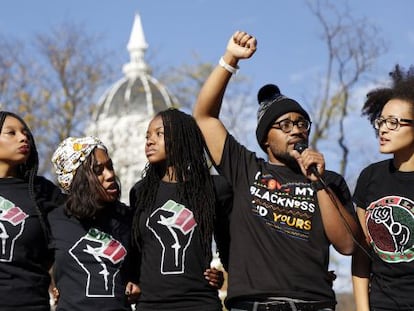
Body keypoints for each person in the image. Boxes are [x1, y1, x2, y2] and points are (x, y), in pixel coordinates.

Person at [193, 30, 360, 310]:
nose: (295, 129)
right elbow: (204, 116)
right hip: (252, 304)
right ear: (265, 139)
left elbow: (348, 245)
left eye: (301, 123)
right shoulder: (245, 169)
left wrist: (318, 184)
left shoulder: (328, 180)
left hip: (313, 303)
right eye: (284, 124)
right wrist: (230, 59)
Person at [130, 108, 230, 310]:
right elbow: (135, 250)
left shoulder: (215, 188)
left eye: (159, 134)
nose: (149, 141)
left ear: (182, 138)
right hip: (150, 305)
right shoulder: (140, 192)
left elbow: (230, 245)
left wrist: (222, 275)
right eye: (147, 136)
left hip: (199, 302)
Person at [49, 136, 140, 310]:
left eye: (110, 166)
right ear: (76, 179)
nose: (110, 175)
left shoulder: (127, 218)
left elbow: (142, 272)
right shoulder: (54, 220)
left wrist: (137, 285)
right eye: (98, 170)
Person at [352, 65, 414, 311]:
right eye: (381, 121)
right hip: (382, 305)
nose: (383, 128)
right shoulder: (370, 177)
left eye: (394, 122)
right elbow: (361, 255)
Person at [0, 111, 63, 311]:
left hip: (29, 302)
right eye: (11, 133)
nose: (23, 137)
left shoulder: (42, 191)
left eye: (25, 133)